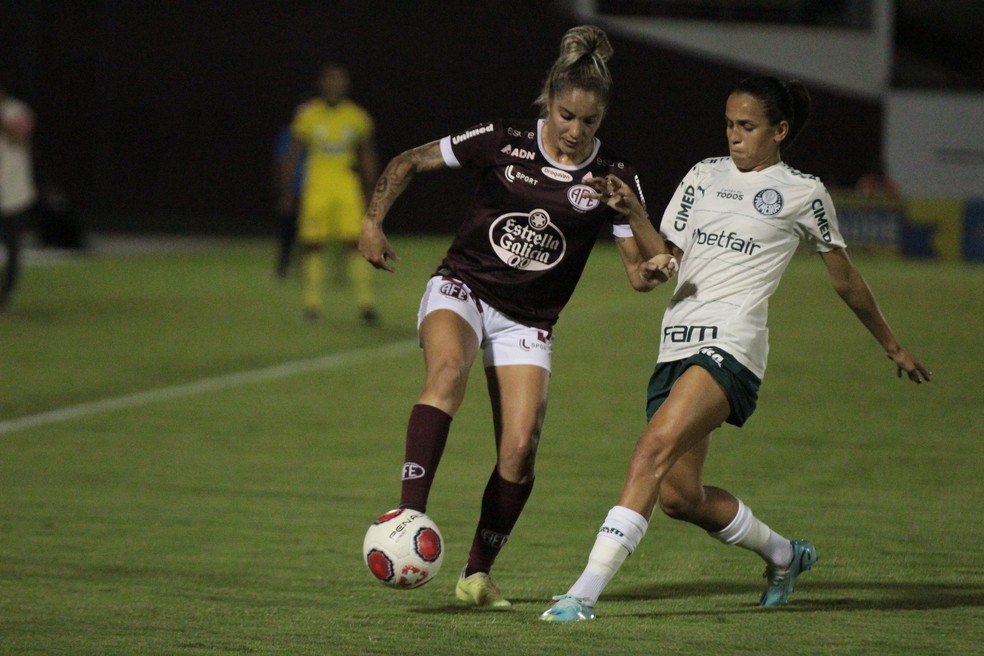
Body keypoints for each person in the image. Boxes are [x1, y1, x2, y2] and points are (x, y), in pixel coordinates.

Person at [540, 76, 933, 622]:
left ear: (779, 131)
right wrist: (633, 215)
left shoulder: (802, 192)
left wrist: (893, 346)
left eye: (746, 126)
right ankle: (783, 554)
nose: (734, 136)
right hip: (676, 342)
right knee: (680, 497)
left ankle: (581, 595)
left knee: (650, 450)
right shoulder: (703, 176)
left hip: (734, 345)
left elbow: (845, 279)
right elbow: (665, 258)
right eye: (729, 124)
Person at [358, 25, 675, 609]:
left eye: (589, 122)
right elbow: (408, 161)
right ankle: (409, 512)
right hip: (463, 288)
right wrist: (373, 220)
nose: (575, 131)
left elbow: (640, 270)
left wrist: (645, 251)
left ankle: (476, 574)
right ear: (546, 104)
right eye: (565, 116)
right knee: (448, 374)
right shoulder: (504, 140)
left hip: (529, 320)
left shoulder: (614, 176)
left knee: (521, 448)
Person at [279, 63, 381, 325]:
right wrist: (288, 190)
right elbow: (293, 154)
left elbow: (366, 154)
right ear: (321, 83)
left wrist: (373, 190)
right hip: (317, 187)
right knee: (313, 244)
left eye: (339, 80)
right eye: (329, 80)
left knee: (354, 243)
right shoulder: (308, 115)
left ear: (346, 85)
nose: (334, 84)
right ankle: (311, 306)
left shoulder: (357, 116)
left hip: (346, 186)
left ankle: (366, 305)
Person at [0, 84, 38, 312]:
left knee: (13, 247)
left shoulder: (19, 111)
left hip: (15, 193)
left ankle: (7, 294)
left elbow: (17, 136)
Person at [271, 124, 304, 280]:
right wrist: (285, 191)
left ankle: (305, 270)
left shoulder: (320, 130)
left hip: (315, 190)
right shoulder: (290, 134)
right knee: (288, 231)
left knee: (312, 234)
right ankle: (282, 268)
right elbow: (281, 161)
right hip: (294, 190)